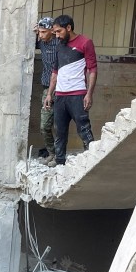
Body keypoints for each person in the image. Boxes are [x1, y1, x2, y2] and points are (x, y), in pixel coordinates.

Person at [44, 14, 97, 167]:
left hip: (78, 93)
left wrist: (89, 94)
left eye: (59, 31)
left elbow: (92, 69)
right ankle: (59, 160)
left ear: (68, 28)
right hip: (60, 95)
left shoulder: (85, 43)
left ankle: (91, 158)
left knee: (83, 127)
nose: (57, 35)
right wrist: (49, 94)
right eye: (55, 32)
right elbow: (55, 71)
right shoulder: (60, 45)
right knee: (59, 129)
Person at [35, 17, 59, 160]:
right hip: (47, 89)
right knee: (44, 125)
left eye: (44, 32)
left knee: (59, 125)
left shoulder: (61, 43)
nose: (41, 35)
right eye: (39, 32)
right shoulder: (40, 42)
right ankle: (52, 152)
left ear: (52, 30)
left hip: (62, 88)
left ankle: (59, 155)